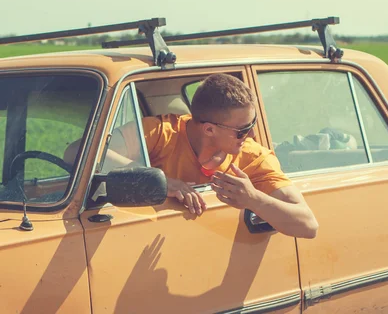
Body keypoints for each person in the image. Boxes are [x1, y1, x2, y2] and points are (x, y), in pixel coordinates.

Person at [72, 73, 319, 239]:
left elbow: (308, 225)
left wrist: (253, 199)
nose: (252, 133)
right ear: (209, 129)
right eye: (243, 129)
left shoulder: (253, 156)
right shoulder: (162, 133)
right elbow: (75, 152)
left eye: (252, 123)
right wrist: (160, 180)